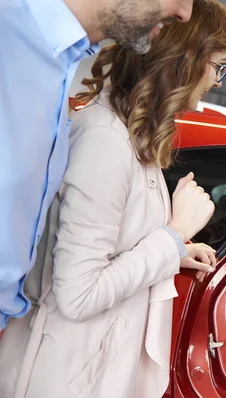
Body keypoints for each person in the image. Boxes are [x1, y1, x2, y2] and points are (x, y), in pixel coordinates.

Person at [0, 1, 226, 398]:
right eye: (219, 65)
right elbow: (78, 295)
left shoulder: (131, 136)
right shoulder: (107, 141)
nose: (217, 80)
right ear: (183, 59)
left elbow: (107, 244)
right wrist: (173, 233)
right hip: (64, 378)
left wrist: (172, 249)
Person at [0, 0, 194, 332]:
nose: (185, 13)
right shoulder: (11, 36)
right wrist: (170, 240)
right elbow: (78, 290)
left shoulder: (56, 64)